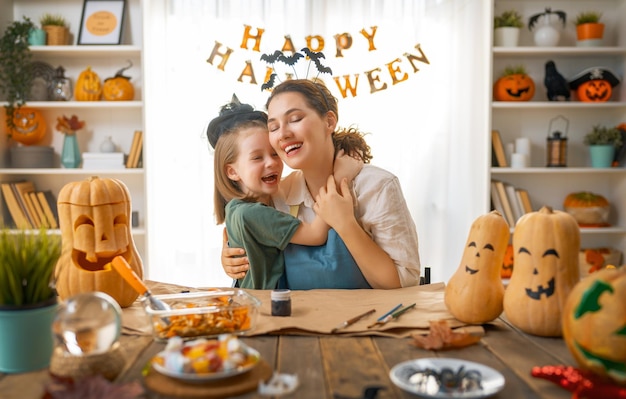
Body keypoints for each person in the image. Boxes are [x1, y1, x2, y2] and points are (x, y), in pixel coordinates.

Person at [221, 79, 421, 289]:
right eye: (273, 127)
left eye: (295, 118)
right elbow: (245, 225)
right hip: (297, 320)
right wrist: (230, 255)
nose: (283, 133)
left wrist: (346, 223)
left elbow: (402, 284)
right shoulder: (279, 194)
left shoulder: (377, 187)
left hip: (369, 320)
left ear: (329, 121)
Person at [209, 96, 331, 289]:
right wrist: (334, 188)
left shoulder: (235, 208)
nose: (271, 162)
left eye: (275, 153)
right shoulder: (254, 214)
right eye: (257, 157)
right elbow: (316, 235)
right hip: (267, 303)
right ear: (232, 171)